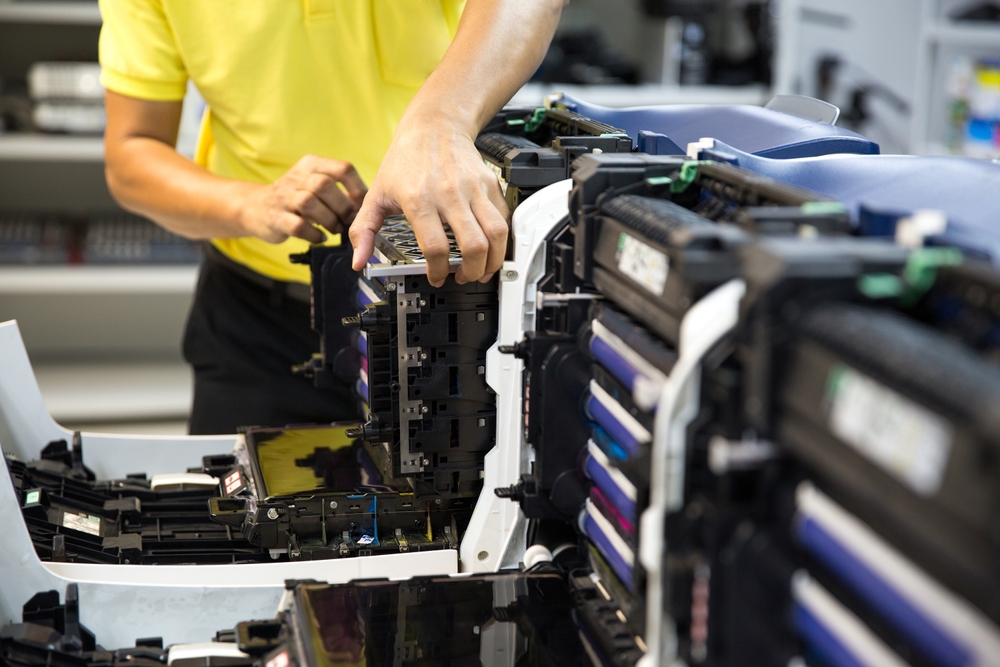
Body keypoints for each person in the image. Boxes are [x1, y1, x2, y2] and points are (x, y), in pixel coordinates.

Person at [98, 0, 565, 434]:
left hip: (451, 315)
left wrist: (441, 121)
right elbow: (131, 153)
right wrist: (252, 203)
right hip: (261, 331)